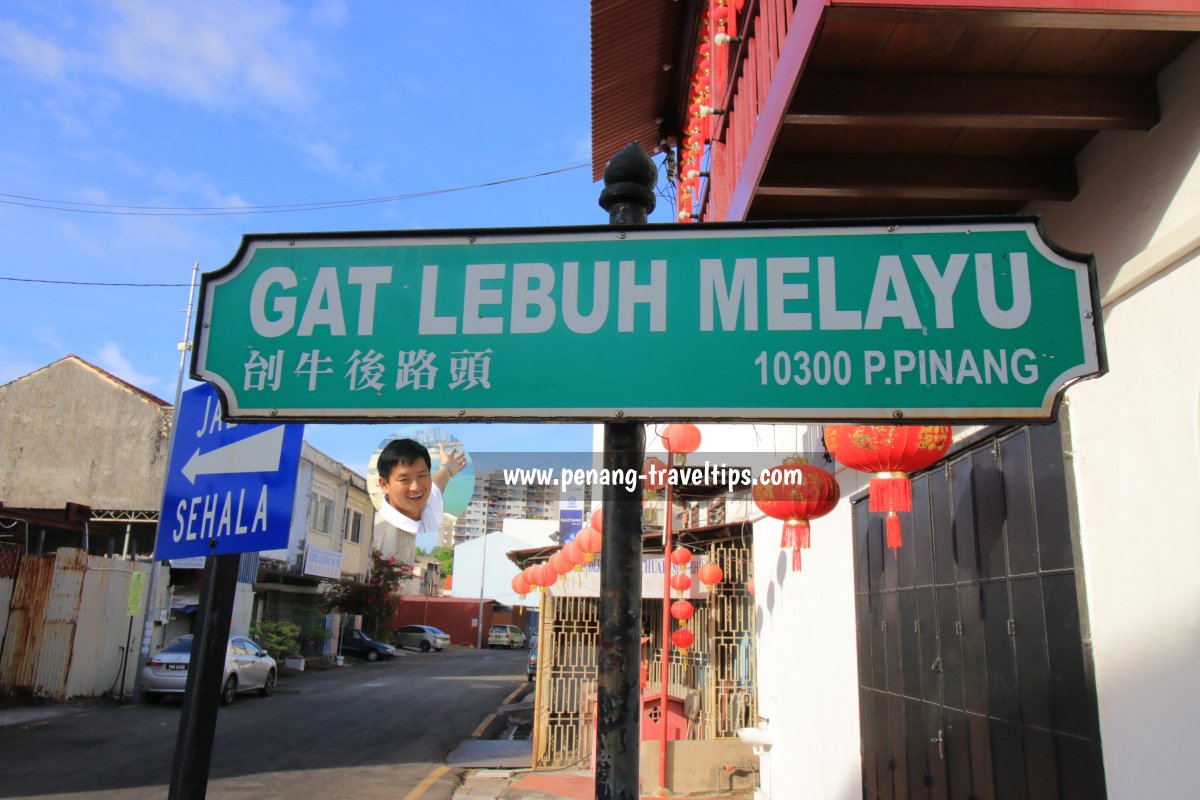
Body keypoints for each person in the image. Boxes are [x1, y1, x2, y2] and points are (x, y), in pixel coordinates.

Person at [375, 438, 467, 534]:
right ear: (384, 484)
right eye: (404, 479)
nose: (416, 487)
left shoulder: (428, 502)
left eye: (422, 476)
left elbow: (437, 484)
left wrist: (447, 468)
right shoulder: (383, 529)